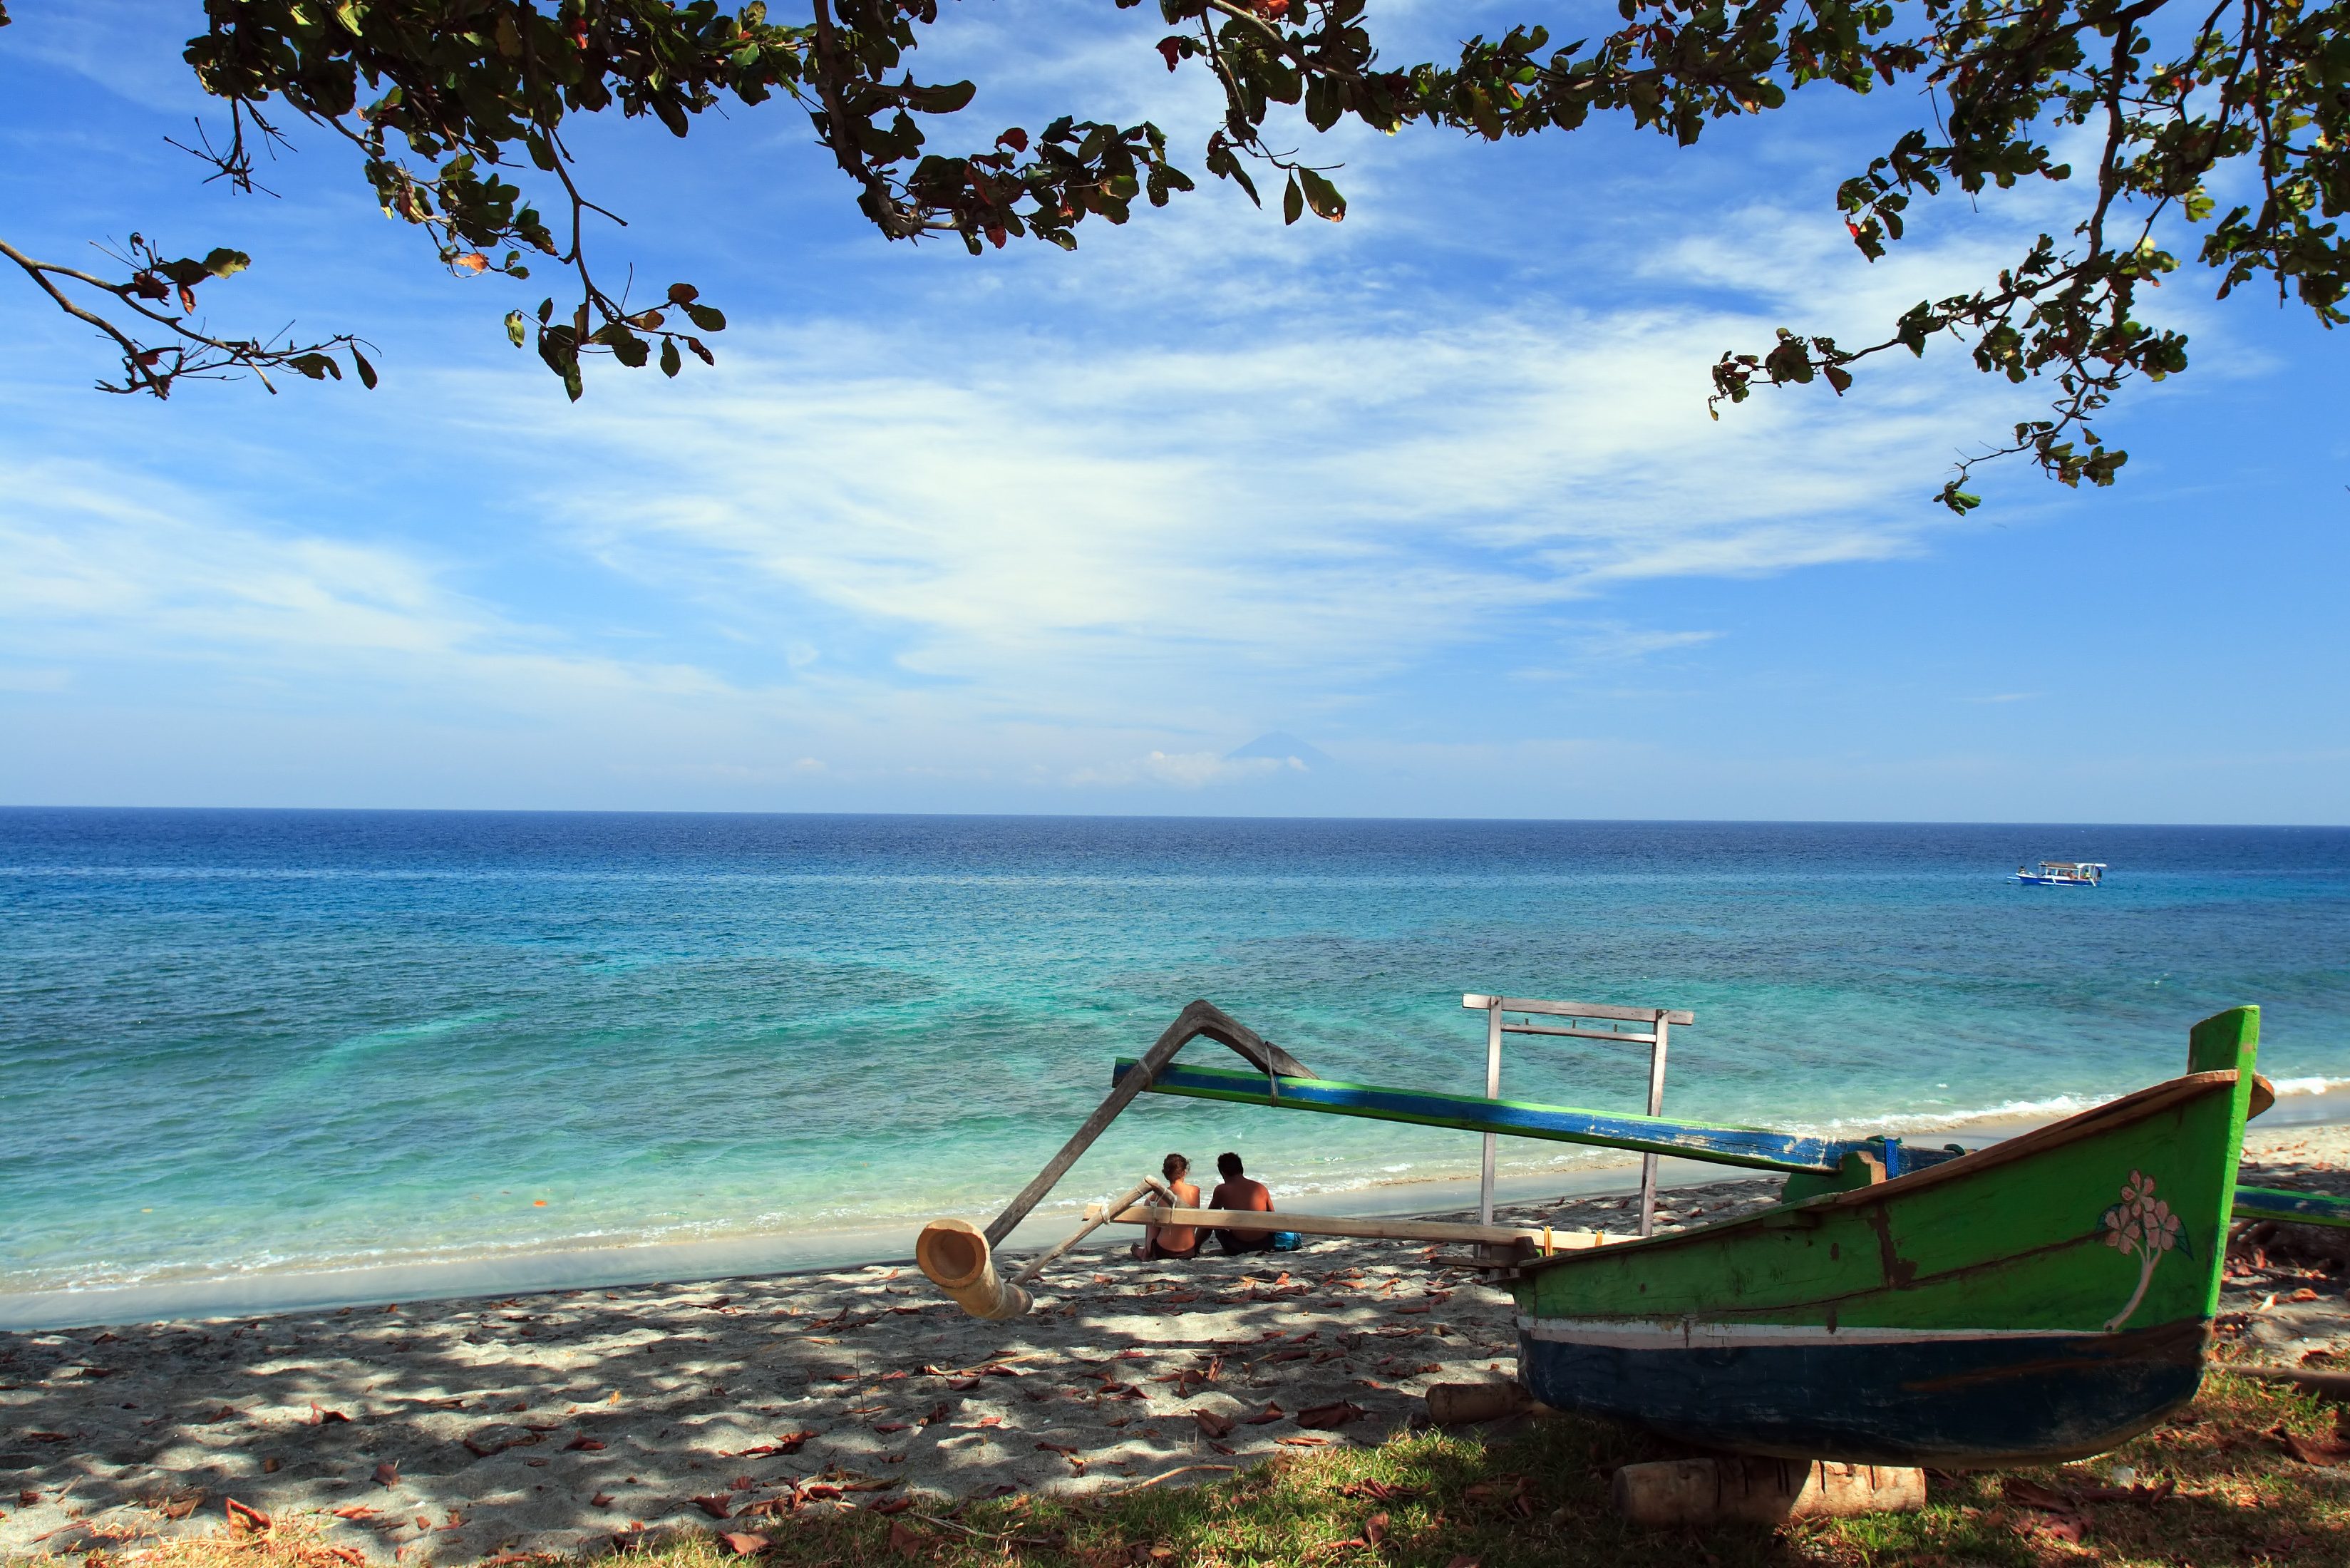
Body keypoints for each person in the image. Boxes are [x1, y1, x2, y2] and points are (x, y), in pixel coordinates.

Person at [1133, 1152, 1202, 1261]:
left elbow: (1152, 1234)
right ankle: (1142, 1251)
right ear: (1184, 1173)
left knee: (1152, 1211)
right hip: (1189, 1251)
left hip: (1164, 1251)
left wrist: (1148, 1251)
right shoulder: (1195, 1191)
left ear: (1166, 1174)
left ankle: (1144, 1252)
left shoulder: (1155, 1198)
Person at [1209, 1151, 1278, 1254]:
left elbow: (1208, 1219)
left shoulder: (1221, 1190)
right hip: (1265, 1245)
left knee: (1213, 1218)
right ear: (1241, 1169)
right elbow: (1273, 1218)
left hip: (1238, 1247)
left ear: (1223, 1172)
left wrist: (1197, 1245)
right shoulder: (1260, 1188)